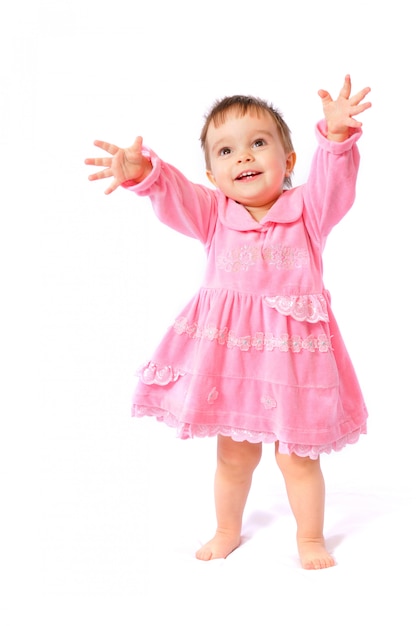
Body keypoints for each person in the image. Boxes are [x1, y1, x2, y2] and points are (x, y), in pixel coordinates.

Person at [85, 75, 371, 569]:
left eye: (258, 144)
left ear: (288, 162)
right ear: (213, 174)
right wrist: (145, 173)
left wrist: (337, 140)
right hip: (231, 360)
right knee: (234, 456)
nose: (243, 157)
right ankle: (226, 530)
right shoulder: (213, 213)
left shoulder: (306, 211)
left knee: (298, 458)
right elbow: (175, 196)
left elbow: (335, 185)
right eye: (226, 151)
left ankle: (309, 539)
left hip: (292, 362)